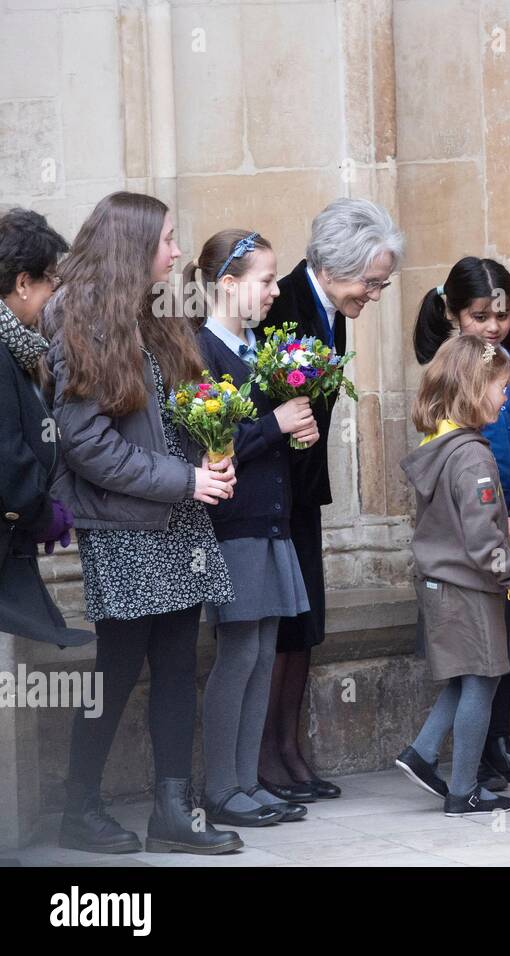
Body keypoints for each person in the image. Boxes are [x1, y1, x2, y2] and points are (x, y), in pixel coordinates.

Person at [44, 191, 242, 855]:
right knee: (118, 668)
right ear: (131, 244)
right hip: (124, 526)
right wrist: (185, 479)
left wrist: (214, 446)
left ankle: (171, 812)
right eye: (167, 239)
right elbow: (85, 444)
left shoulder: (157, 314)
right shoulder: (81, 316)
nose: (178, 251)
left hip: (178, 520)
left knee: (180, 661)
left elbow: (172, 412)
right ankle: (78, 809)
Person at [257, 198, 404, 804]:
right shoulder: (284, 305)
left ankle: (291, 748)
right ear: (338, 265)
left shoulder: (331, 310)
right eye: (371, 282)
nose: (372, 295)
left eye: (380, 284)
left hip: (304, 497)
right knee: (278, 629)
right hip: (271, 501)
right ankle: (264, 756)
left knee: (305, 627)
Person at [190, 229, 319, 827]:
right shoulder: (202, 354)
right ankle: (220, 787)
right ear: (228, 285)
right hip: (233, 525)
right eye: (266, 280)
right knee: (238, 654)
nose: (274, 291)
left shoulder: (258, 353)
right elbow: (213, 444)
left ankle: (248, 780)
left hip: (270, 523)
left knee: (264, 653)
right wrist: (275, 423)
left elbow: (266, 441)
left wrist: (299, 434)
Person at [412, 257, 510, 788]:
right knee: (482, 667)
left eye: (502, 314)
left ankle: (444, 753)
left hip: (509, 530)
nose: (494, 325)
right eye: (480, 315)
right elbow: (474, 509)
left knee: (495, 658)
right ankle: (468, 779)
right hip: (480, 550)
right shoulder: (463, 397)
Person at [0, 208, 92, 648]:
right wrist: (42, 514)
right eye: (50, 280)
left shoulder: (14, 346)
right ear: (22, 283)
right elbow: (8, 456)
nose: (55, 291)